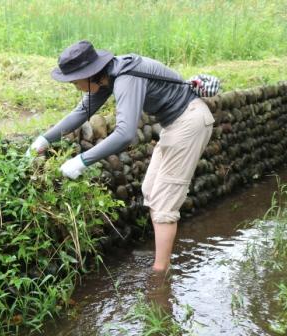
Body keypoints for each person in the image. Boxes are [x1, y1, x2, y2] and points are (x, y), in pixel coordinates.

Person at [27, 40, 214, 272]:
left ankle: (160, 273)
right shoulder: (108, 77)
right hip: (176, 125)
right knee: (151, 189)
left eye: (75, 81)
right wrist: (44, 140)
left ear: (89, 73)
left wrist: (82, 161)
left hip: (189, 123)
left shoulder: (126, 77)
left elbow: (125, 133)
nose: (75, 87)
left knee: (165, 201)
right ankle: (162, 257)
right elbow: (81, 113)